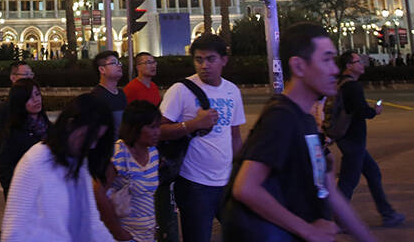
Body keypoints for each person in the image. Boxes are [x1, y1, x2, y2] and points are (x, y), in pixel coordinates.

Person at [222, 24, 377, 242]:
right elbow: (246, 188)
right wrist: (307, 230)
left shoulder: (304, 119)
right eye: (326, 59)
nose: (334, 69)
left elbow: (330, 191)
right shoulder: (281, 117)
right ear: (299, 66)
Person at [157, 33, 246, 242]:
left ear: (224, 60)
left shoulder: (232, 91)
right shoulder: (180, 91)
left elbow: (234, 135)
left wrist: (240, 172)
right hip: (193, 183)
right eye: (199, 59)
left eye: (210, 59)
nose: (204, 65)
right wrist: (193, 125)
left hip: (226, 182)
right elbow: (159, 131)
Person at [1, 93, 117, 242]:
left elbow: (92, 222)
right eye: (90, 137)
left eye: (98, 140)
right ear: (71, 124)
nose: (93, 145)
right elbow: (13, 232)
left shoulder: (80, 163)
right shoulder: (36, 160)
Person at [333, 52, 404, 227]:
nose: (362, 64)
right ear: (349, 65)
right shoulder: (352, 86)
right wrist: (375, 111)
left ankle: (387, 213)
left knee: (373, 173)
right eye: (358, 62)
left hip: (348, 138)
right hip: (353, 139)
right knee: (348, 182)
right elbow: (361, 110)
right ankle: (336, 220)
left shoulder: (341, 83)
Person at [109, 100, 161, 242]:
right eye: (152, 127)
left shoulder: (153, 152)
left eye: (158, 126)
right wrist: (118, 233)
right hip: (126, 236)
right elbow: (98, 193)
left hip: (148, 235)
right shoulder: (119, 152)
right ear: (135, 128)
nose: (158, 132)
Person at [0, 78, 49, 196]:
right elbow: (3, 169)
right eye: (29, 97)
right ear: (19, 101)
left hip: (48, 195)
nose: (36, 100)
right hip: (26, 198)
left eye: (37, 94)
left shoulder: (50, 128)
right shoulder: (12, 134)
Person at [0, 60, 34, 198]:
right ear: (13, 78)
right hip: (14, 171)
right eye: (26, 74)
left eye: (31, 74)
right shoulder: (7, 107)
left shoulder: (35, 103)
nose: (30, 78)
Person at [90, 50, 128, 131]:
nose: (119, 66)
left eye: (119, 63)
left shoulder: (121, 94)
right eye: (114, 63)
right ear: (102, 69)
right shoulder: (96, 97)